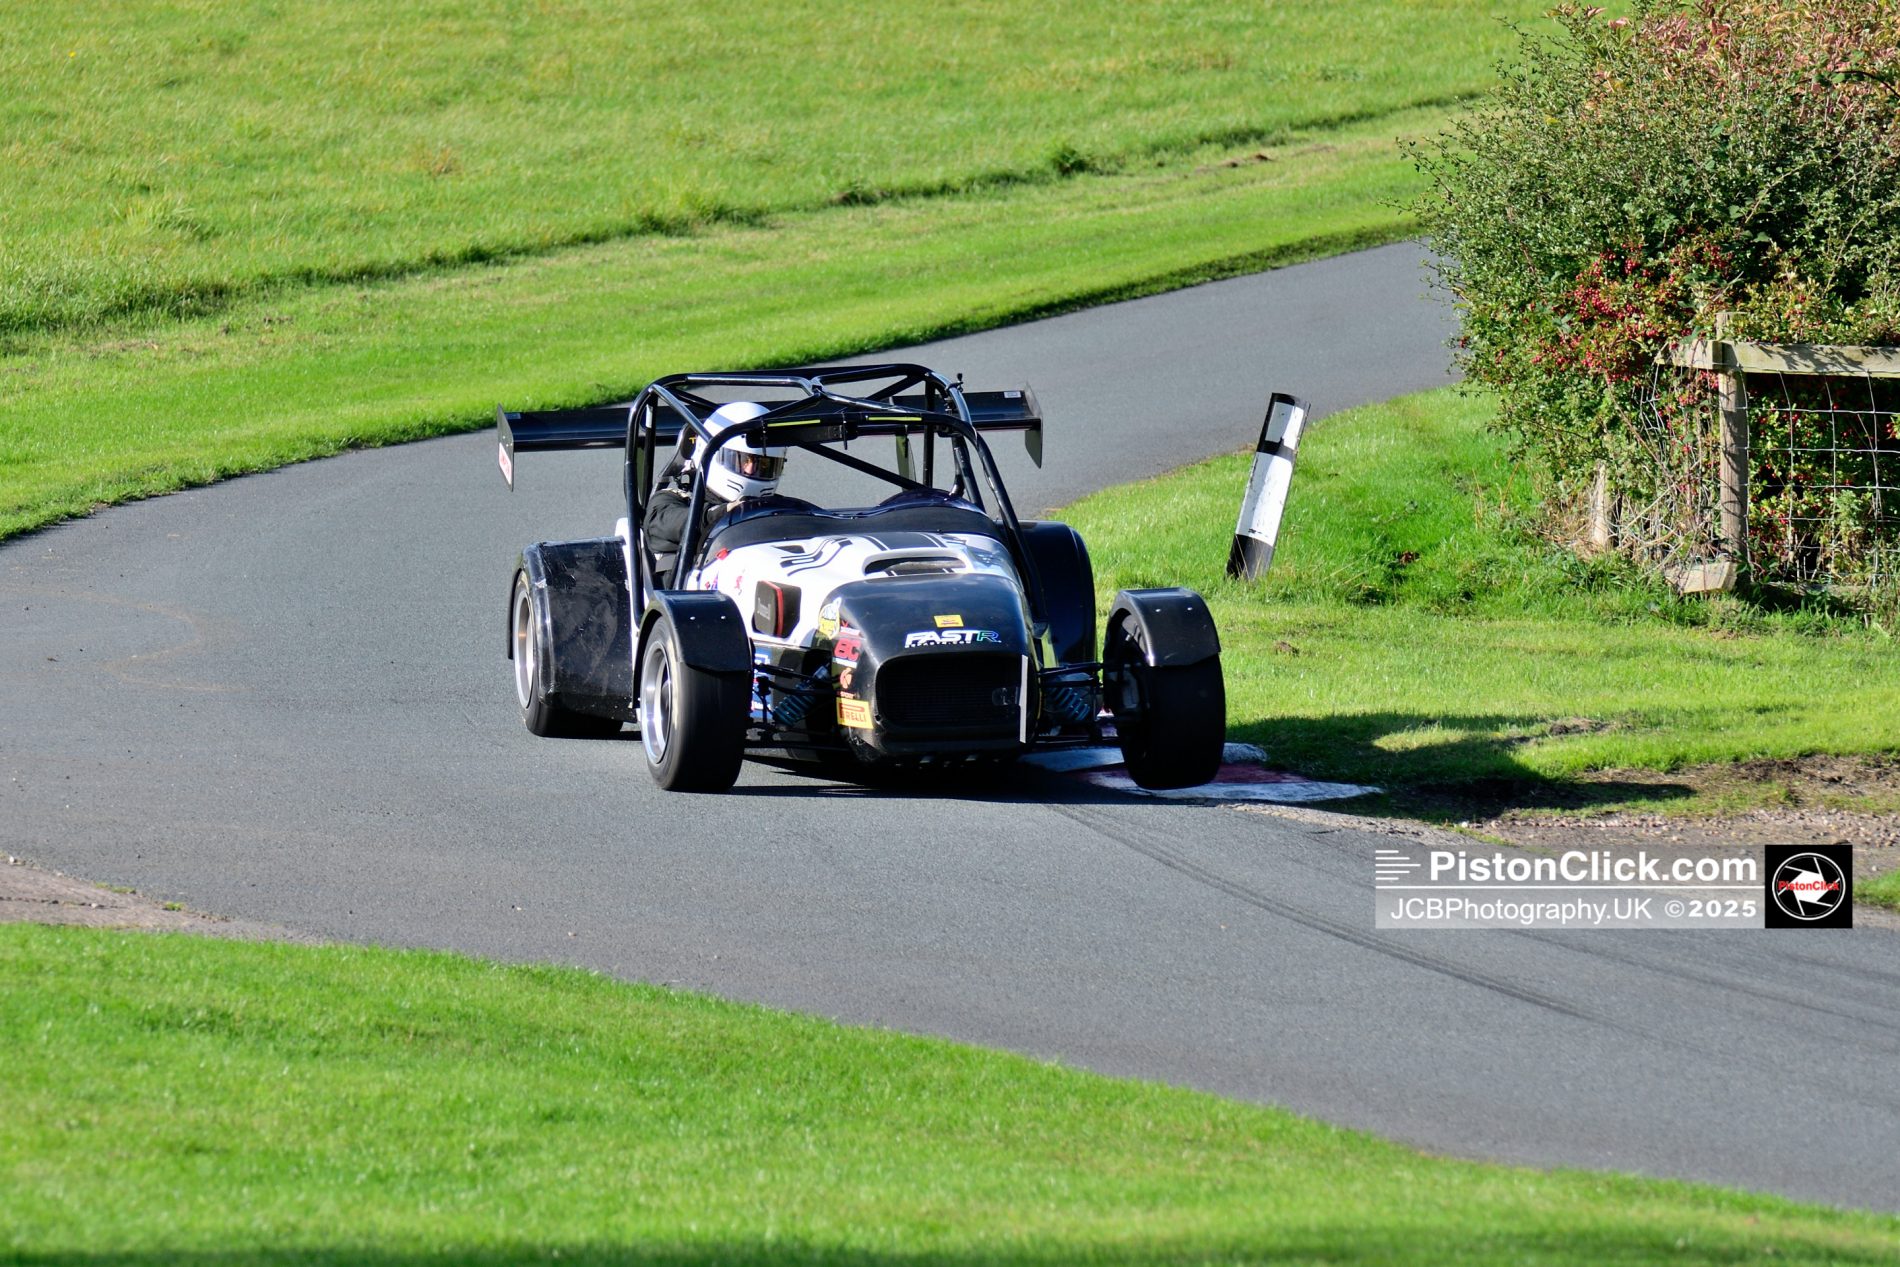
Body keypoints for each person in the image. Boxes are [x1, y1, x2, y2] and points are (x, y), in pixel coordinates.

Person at [643, 401, 790, 585]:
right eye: (742, 460)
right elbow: (677, 523)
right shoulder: (670, 500)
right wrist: (724, 512)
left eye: (764, 464)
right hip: (696, 602)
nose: (752, 470)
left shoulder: (775, 506)